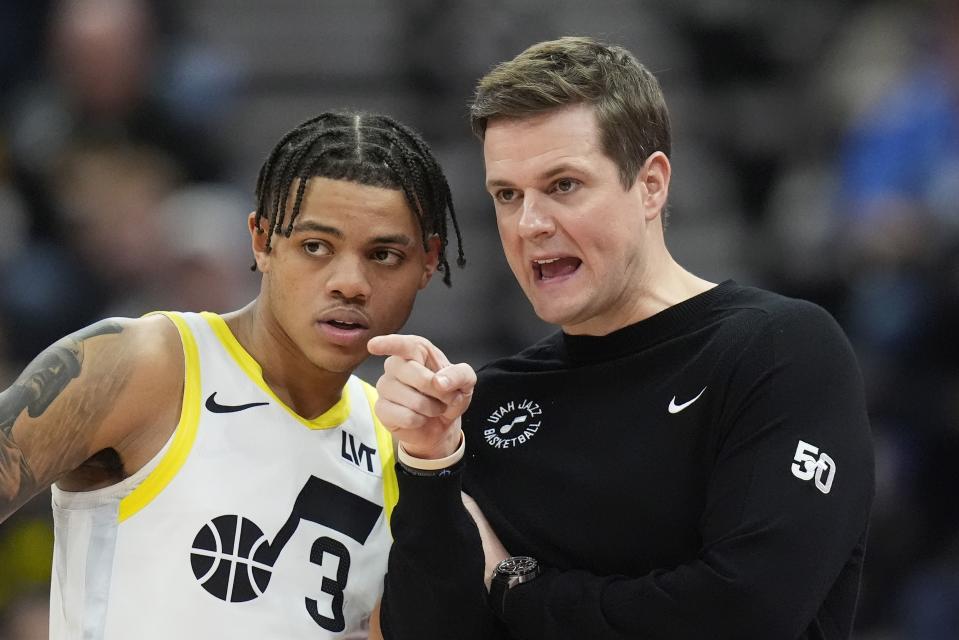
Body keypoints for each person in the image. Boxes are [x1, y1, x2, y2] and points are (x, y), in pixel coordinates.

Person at [369, 37, 875, 639]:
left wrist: (513, 582)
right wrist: (429, 468)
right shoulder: (490, 404)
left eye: (563, 185)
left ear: (651, 184)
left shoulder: (778, 350)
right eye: (507, 195)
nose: (530, 224)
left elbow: (744, 615)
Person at [0, 110, 465, 639]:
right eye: (316, 246)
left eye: (384, 254)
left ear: (428, 262)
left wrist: (433, 462)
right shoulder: (143, 362)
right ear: (262, 241)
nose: (350, 283)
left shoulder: (402, 451)